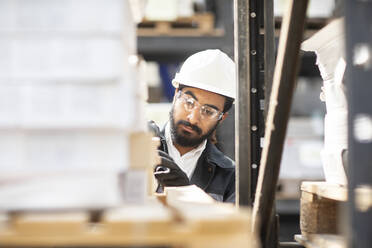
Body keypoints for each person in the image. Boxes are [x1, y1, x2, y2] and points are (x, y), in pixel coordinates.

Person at [149, 49, 236, 203]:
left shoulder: (229, 176)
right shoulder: (142, 147)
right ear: (176, 94)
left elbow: (228, 225)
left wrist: (186, 192)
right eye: (189, 102)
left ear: (222, 118)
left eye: (208, 111)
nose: (193, 118)